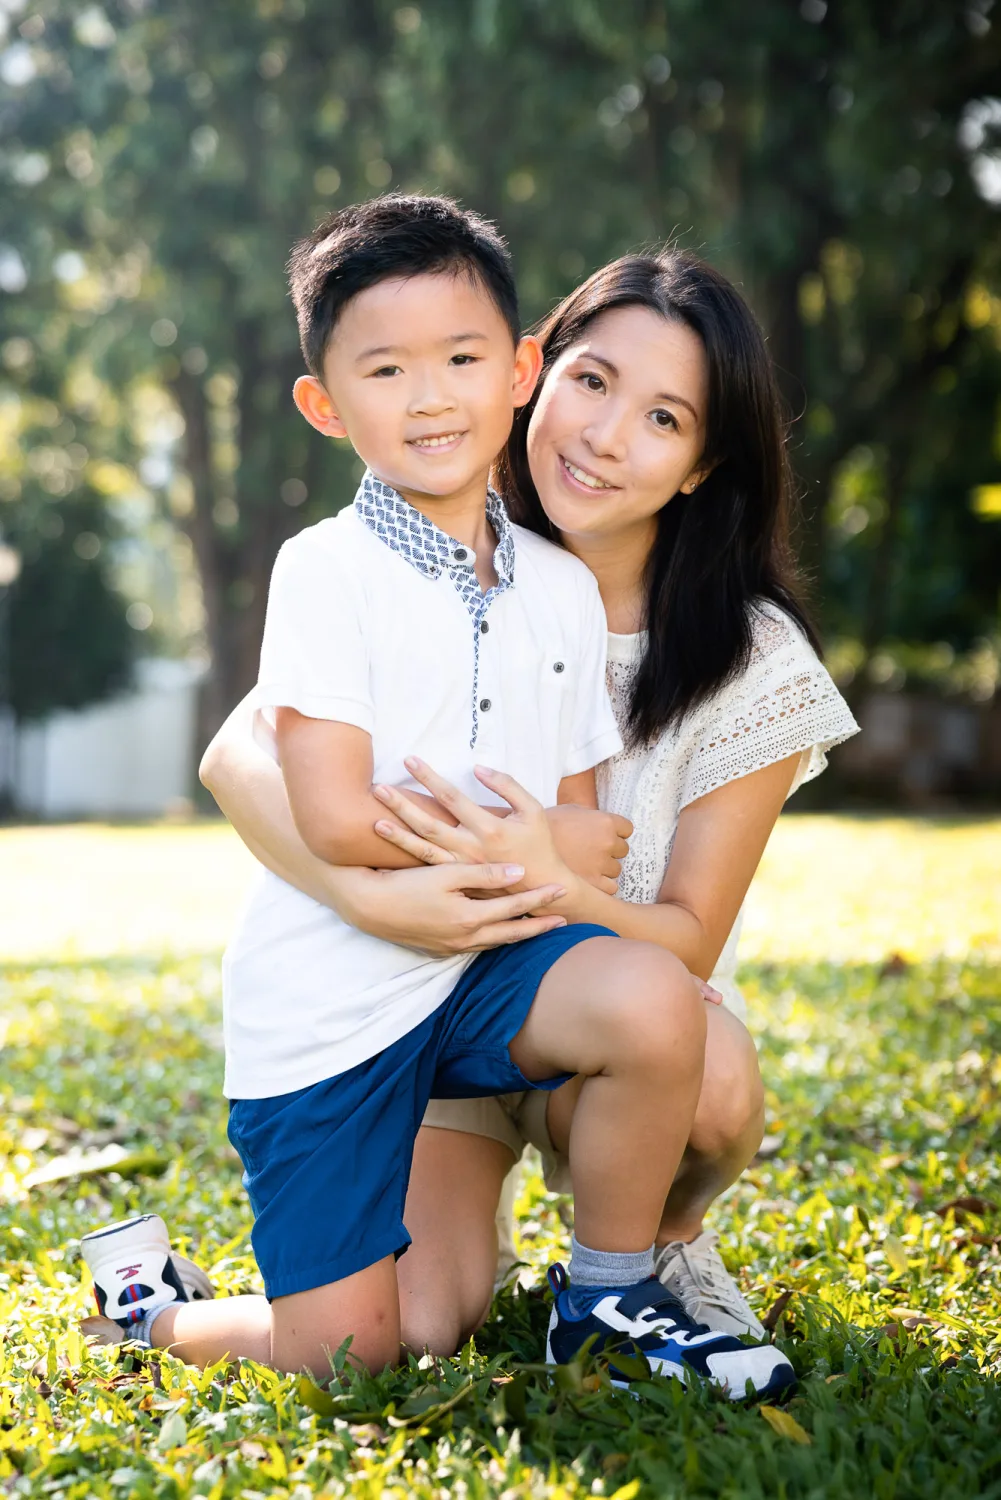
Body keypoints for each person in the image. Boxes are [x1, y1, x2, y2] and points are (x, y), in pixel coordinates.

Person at [81, 195, 794, 1402]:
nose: (608, 435)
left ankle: (613, 1287)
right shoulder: (338, 566)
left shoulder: (648, 625)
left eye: (662, 416)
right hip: (358, 1007)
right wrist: (406, 893)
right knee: (371, 1352)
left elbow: (591, 836)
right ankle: (160, 1314)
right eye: (594, 382)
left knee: (663, 1007)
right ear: (546, 375)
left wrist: (535, 860)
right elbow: (284, 783)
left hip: (511, 984)